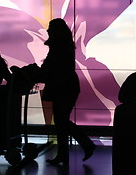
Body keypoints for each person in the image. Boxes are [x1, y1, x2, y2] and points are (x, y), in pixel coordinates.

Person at [40, 18, 95, 165]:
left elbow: (49, 67)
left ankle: (78, 147)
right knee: (61, 121)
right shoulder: (64, 46)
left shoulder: (57, 47)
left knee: (61, 121)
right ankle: (76, 149)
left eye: (50, 28)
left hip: (62, 87)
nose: (48, 31)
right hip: (67, 87)